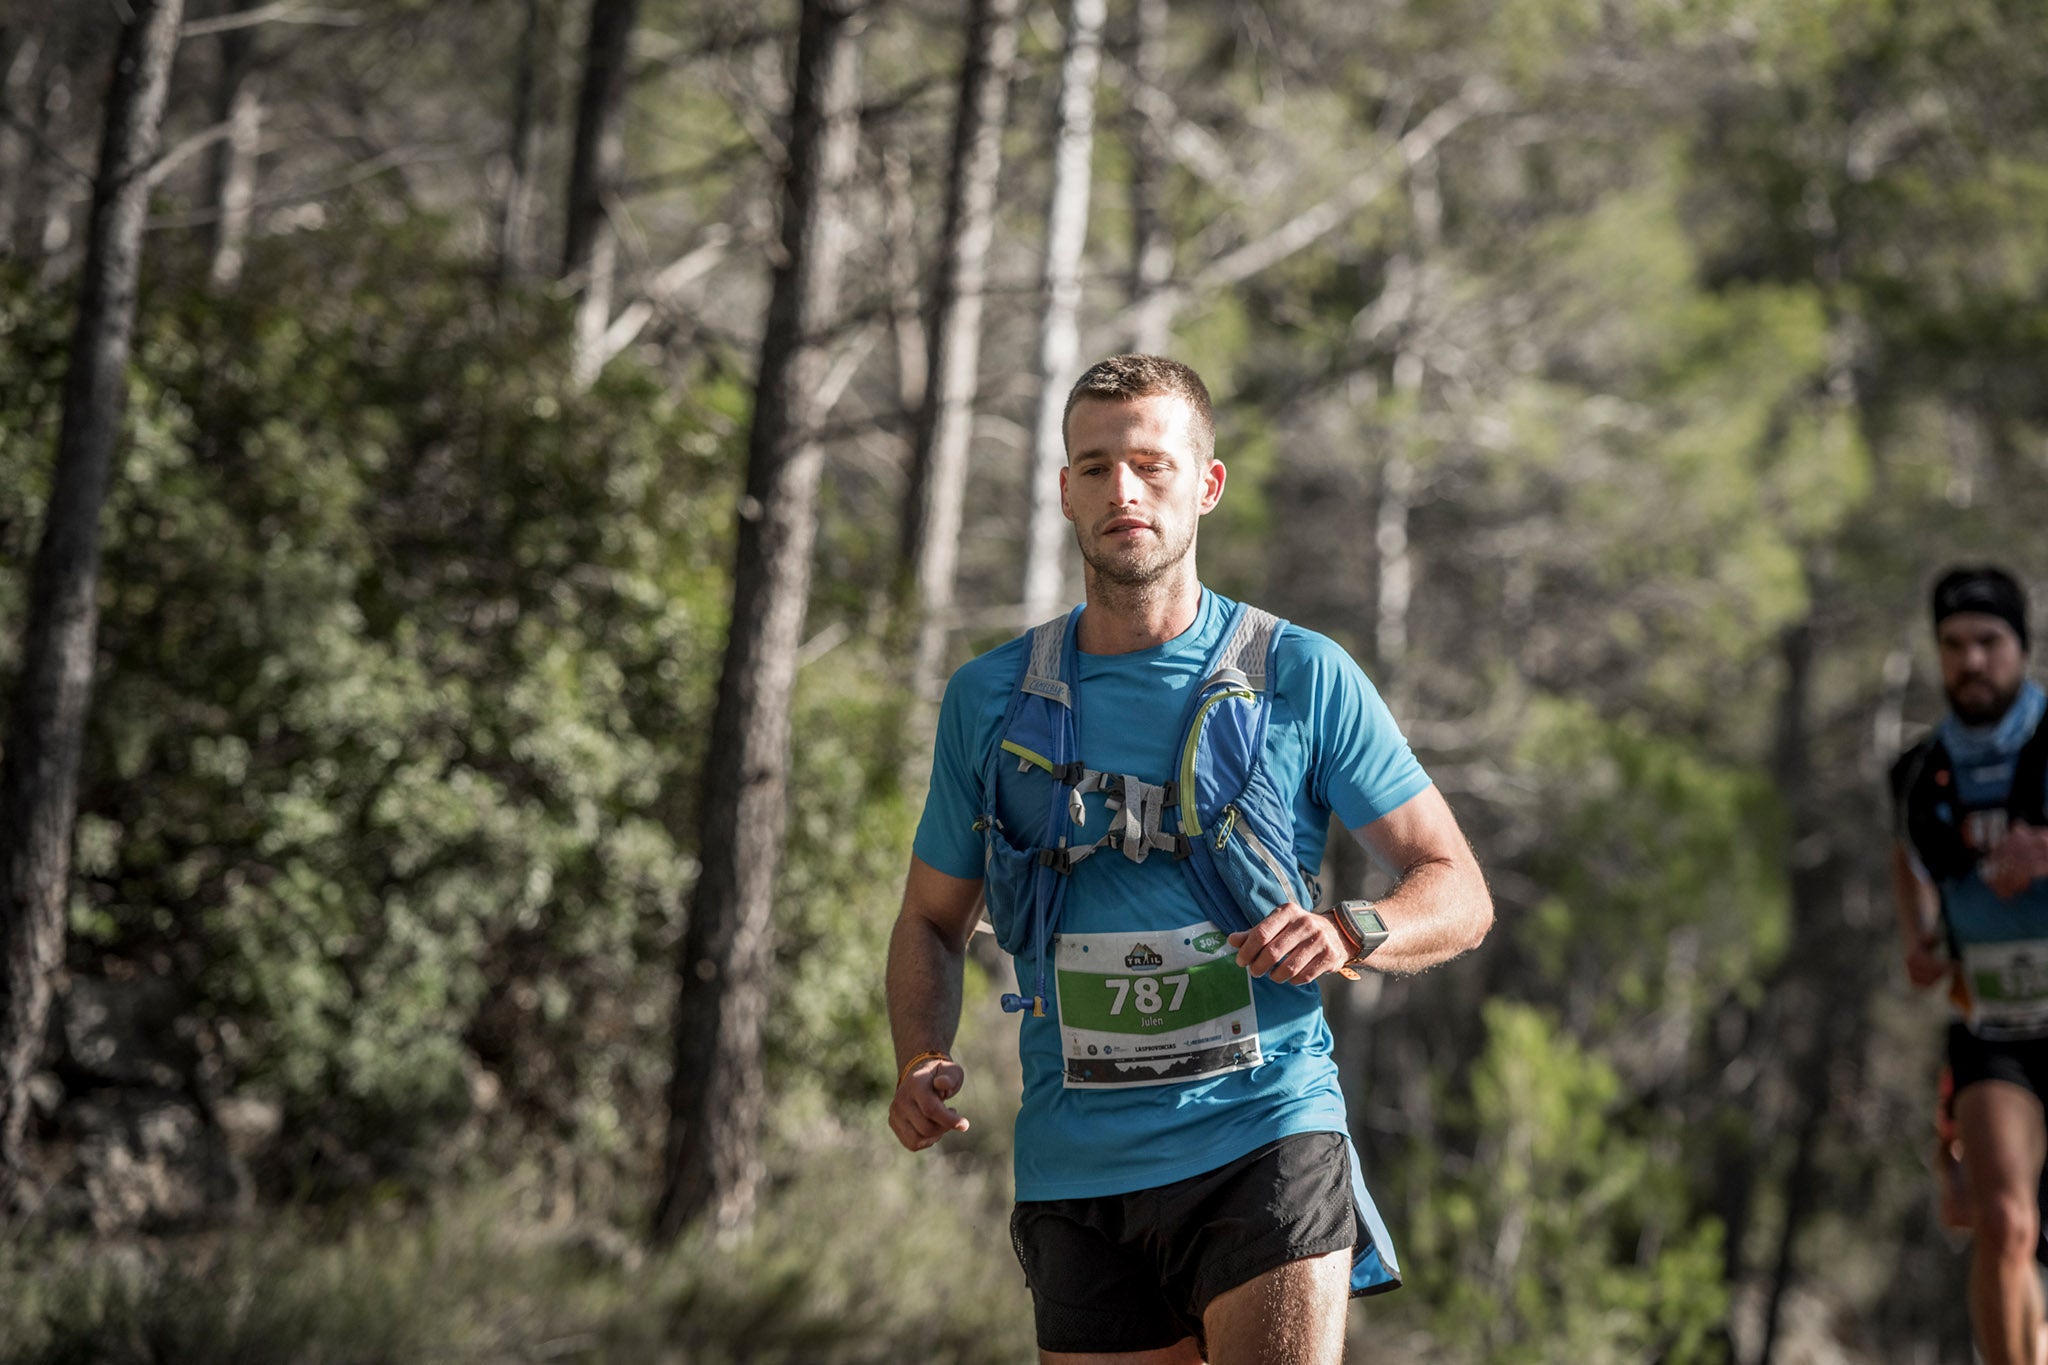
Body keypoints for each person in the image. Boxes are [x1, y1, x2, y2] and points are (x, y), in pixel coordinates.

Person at [886, 354, 1493, 1364]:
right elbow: (930, 920)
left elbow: (1456, 890)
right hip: (1072, 1169)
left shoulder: (1300, 674)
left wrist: (1351, 930)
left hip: (1261, 1131)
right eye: (1093, 468)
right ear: (1065, 491)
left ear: (1204, 485)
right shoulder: (986, 699)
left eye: (1150, 465)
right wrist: (917, 1052)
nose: (1122, 491)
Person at [1892, 565, 2048, 1365]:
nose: (1972, 661)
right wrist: (1918, 940)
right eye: (1954, 645)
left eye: (1989, 641)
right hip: (1995, 1028)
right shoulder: (1920, 771)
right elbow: (1909, 863)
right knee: (2004, 1221)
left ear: (2022, 645)